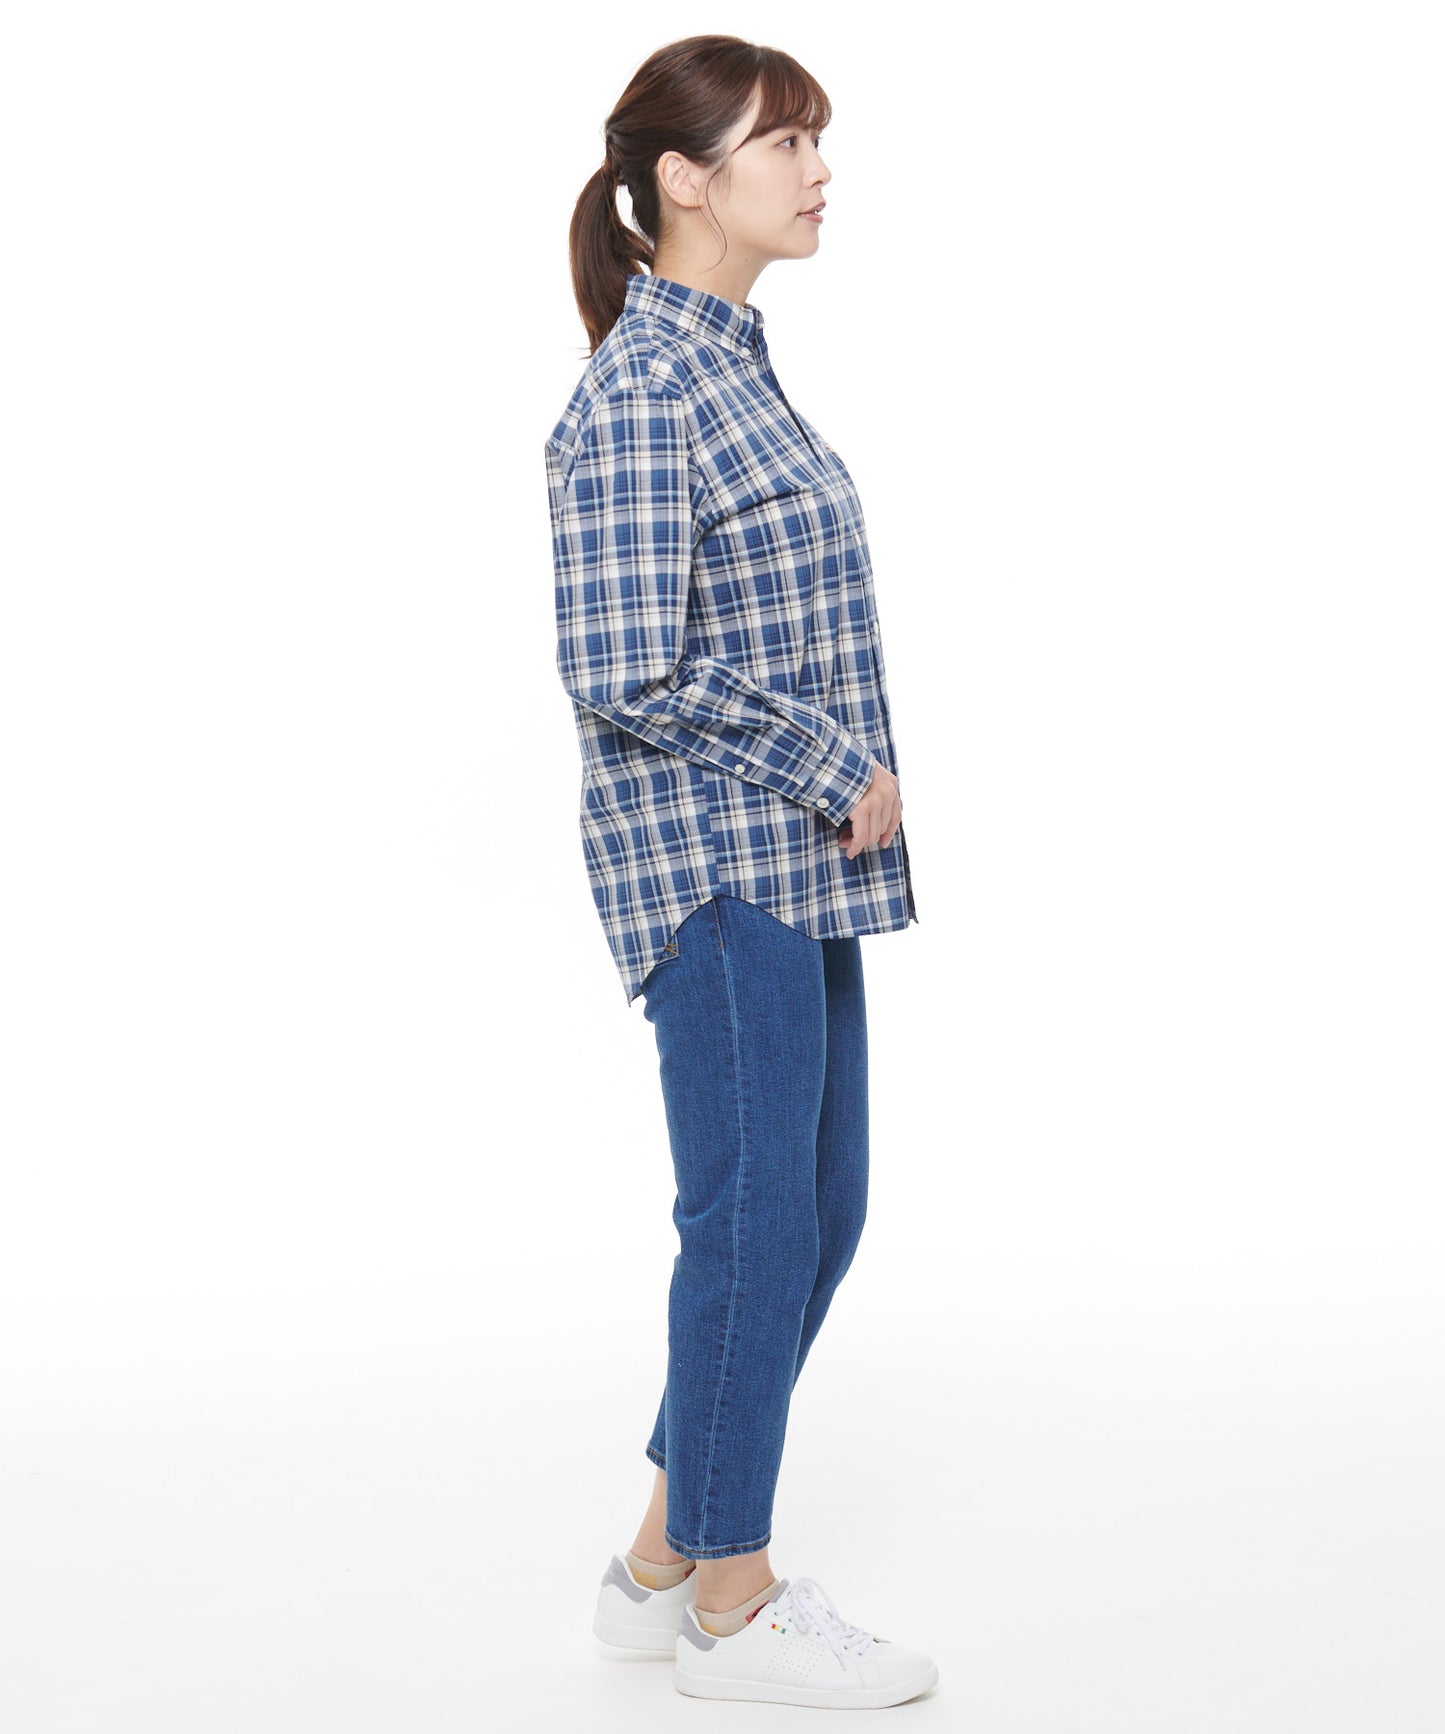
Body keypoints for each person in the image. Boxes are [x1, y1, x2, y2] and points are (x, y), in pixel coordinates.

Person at [544, 34, 935, 1709]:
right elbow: (622, 661)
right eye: (785, 142)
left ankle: (655, 1566)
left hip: (785, 866)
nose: (818, 170)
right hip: (715, 869)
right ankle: (731, 1604)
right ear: (684, 179)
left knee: (809, 1217)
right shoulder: (646, 389)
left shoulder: (726, 368)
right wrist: (830, 760)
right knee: (756, 1223)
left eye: (814, 139)